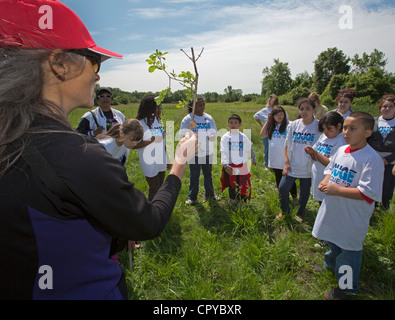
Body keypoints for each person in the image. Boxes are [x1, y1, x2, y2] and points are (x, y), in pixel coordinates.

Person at [0, 0, 197, 300]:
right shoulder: (79, 158)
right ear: (59, 64)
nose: (98, 75)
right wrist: (180, 163)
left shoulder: (13, 139)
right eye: (94, 62)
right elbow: (148, 222)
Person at [312, 112, 384, 300]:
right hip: (334, 210)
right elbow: (329, 169)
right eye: (345, 127)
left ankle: (346, 288)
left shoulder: (371, 159)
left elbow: (368, 193)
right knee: (333, 242)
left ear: (367, 132)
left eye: (353, 129)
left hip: (352, 217)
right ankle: (330, 267)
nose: (346, 132)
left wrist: (336, 189)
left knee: (348, 251)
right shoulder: (342, 150)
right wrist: (326, 180)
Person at [304, 112, 346, 248]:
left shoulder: (341, 141)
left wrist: (315, 154)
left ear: (339, 126)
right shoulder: (323, 136)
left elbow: (330, 163)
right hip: (318, 177)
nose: (326, 132)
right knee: (321, 205)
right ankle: (324, 233)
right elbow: (316, 153)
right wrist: (312, 152)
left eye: (330, 129)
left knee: (329, 209)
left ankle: (328, 239)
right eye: (324, 129)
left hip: (329, 181)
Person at [277, 98, 321, 221]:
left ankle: (300, 214)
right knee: (282, 188)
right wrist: (286, 163)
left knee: (304, 193)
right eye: (302, 109)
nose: (304, 111)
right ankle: (285, 212)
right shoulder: (293, 125)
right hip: (292, 165)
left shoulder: (318, 126)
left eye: (308, 108)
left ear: (314, 109)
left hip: (308, 166)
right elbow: (286, 145)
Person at [180, 95, 219, 205]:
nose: (202, 107)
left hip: (207, 152)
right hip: (194, 153)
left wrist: (211, 136)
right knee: (194, 176)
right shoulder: (188, 119)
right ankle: (192, 197)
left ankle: (210, 195)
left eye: (203, 104)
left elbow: (214, 132)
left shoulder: (209, 118)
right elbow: (183, 136)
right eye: (199, 105)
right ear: (193, 106)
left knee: (208, 175)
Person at [134, 95, 170, 201]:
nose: (159, 110)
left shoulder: (159, 122)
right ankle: (151, 212)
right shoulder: (140, 123)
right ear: (149, 108)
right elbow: (133, 145)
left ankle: (158, 209)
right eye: (157, 107)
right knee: (154, 188)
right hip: (149, 162)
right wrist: (151, 140)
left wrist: (167, 158)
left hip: (161, 160)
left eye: (160, 107)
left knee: (160, 187)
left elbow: (163, 142)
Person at [260, 106, 297, 203]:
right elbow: (263, 134)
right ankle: (282, 197)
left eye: (281, 114)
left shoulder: (290, 125)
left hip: (287, 158)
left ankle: (294, 198)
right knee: (278, 177)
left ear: (285, 115)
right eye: (276, 114)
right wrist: (268, 121)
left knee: (289, 179)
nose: (279, 116)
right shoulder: (272, 125)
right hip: (275, 158)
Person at [220, 114, 256, 203]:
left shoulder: (243, 136)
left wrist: (253, 158)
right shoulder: (225, 137)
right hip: (230, 164)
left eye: (236, 122)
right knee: (232, 183)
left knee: (243, 183)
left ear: (240, 124)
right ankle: (233, 199)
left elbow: (249, 148)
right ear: (228, 124)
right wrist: (225, 165)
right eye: (231, 122)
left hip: (242, 164)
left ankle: (242, 200)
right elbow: (223, 151)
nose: (233, 124)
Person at [367, 94, 395, 209]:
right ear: (380, 108)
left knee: (386, 188)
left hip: (391, 162)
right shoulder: (373, 122)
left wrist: (388, 160)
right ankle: (370, 210)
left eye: (391, 106)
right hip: (372, 160)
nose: (387, 109)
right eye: (384, 106)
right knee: (371, 186)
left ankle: (383, 212)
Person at [254, 94, 279, 168]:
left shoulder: (278, 110)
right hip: (266, 133)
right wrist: (262, 125)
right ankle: (266, 165)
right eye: (269, 100)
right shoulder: (264, 110)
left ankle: (274, 164)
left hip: (276, 134)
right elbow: (256, 116)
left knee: (275, 149)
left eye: (271, 99)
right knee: (267, 149)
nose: (269, 101)